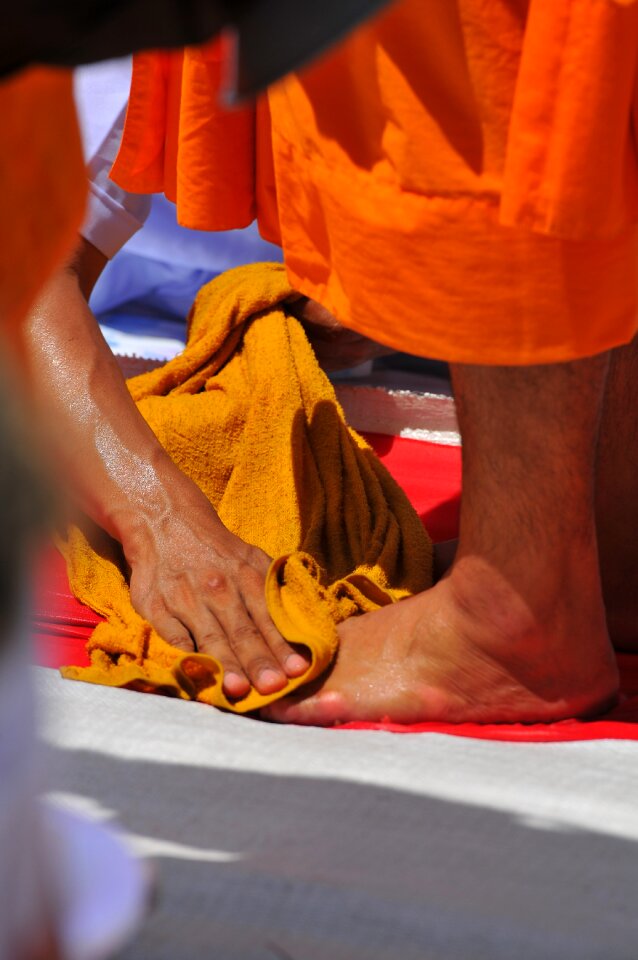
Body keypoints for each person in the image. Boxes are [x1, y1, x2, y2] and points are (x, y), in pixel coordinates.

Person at [28, 0, 638, 726]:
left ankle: (566, 587)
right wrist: (163, 519)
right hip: (161, 330)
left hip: (466, 329)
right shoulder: (114, 43)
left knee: (549, 89)